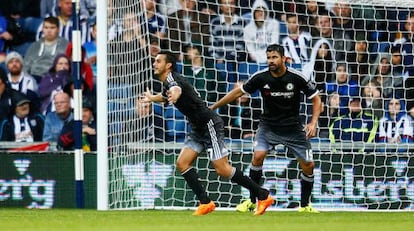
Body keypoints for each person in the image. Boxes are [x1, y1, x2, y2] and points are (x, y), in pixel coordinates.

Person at [143, 50, 273, 216]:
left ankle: (263, 195)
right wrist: (152, 98)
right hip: (197, 128)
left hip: (209, 124)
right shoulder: (168, 81)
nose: (154, 63)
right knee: (182, 163)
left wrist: (175, 96)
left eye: (158, 61)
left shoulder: (172, 80)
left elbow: (176, 90)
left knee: (223, 169)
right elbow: (165, 95)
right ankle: (205, 202)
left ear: (168, 65)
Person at [210, 44, 322, 213]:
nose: (271, 61)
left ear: (284, 59)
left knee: (308, 165)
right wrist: (213, 107)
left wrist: (313, 123)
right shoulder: (260, 77)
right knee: (258, 156)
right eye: (269, 57)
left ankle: (305, 206)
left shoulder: (298, 77)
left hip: (293, 128)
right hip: (268, 126)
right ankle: (253, 201)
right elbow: (237, 93)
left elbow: (316, 99)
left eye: (274, 57)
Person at [23, 16, 69, 82]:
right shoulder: (35, 46)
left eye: (52, 28)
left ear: (58, 29)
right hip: (34, 78)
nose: (49, 31)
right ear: (42, 29)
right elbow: (25, 66)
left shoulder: (66, 45)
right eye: (46, 28)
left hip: (54, 79)